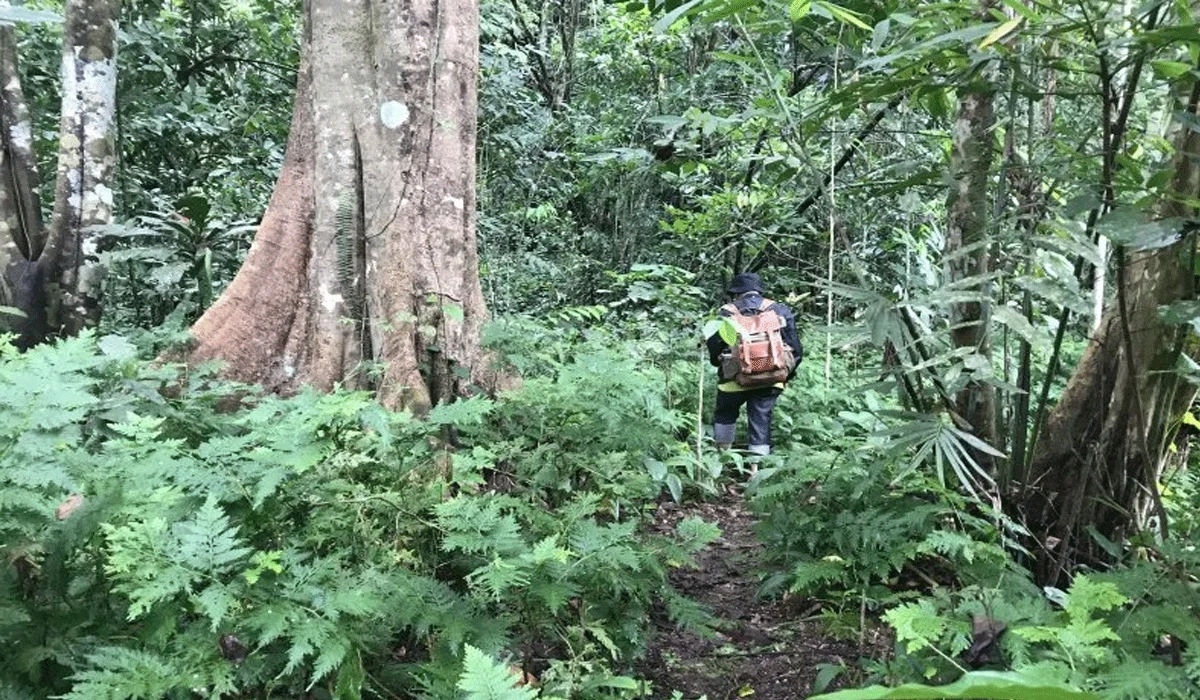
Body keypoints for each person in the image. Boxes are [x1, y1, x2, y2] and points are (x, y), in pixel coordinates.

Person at [705, 272, 802, 456]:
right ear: (759, 291)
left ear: (736, 292)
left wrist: (721, 365)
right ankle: (756, 471)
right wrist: (784, 373)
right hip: (771, 377)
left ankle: (722, 457)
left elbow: (715, 347)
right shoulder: (779, 310)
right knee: (761, 420)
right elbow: (796, 350)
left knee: (725, 414)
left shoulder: (727, 312)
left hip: (733, 379)